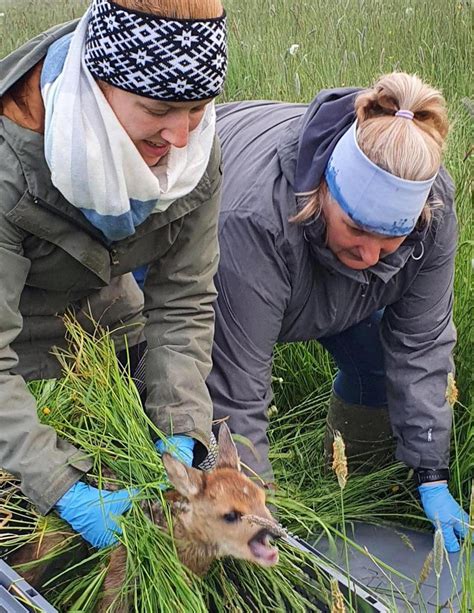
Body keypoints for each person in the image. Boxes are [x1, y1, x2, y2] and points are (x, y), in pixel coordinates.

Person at [206, 73, 471, 553]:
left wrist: (432, 470)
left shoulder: (432, 209)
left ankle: (359, 496)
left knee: (378, 368)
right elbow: (237, 392)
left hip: (321, 272)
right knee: (164, 384)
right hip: (208, 231)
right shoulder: (255, 220)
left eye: (390, 238)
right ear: (325, 191)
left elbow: (422, 341)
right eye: (356, 229)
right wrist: (259, 529)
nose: (371, 254)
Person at [0, 0, 227, 549]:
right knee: (28, 521)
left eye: (197, 109)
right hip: (16, 341)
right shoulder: (10, 166)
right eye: (158, 110)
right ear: (98, 88)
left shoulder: (193, 152)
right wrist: (62, 487)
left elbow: (183, 301)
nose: (180, 137)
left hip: (104, 321)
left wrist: (180, 431)